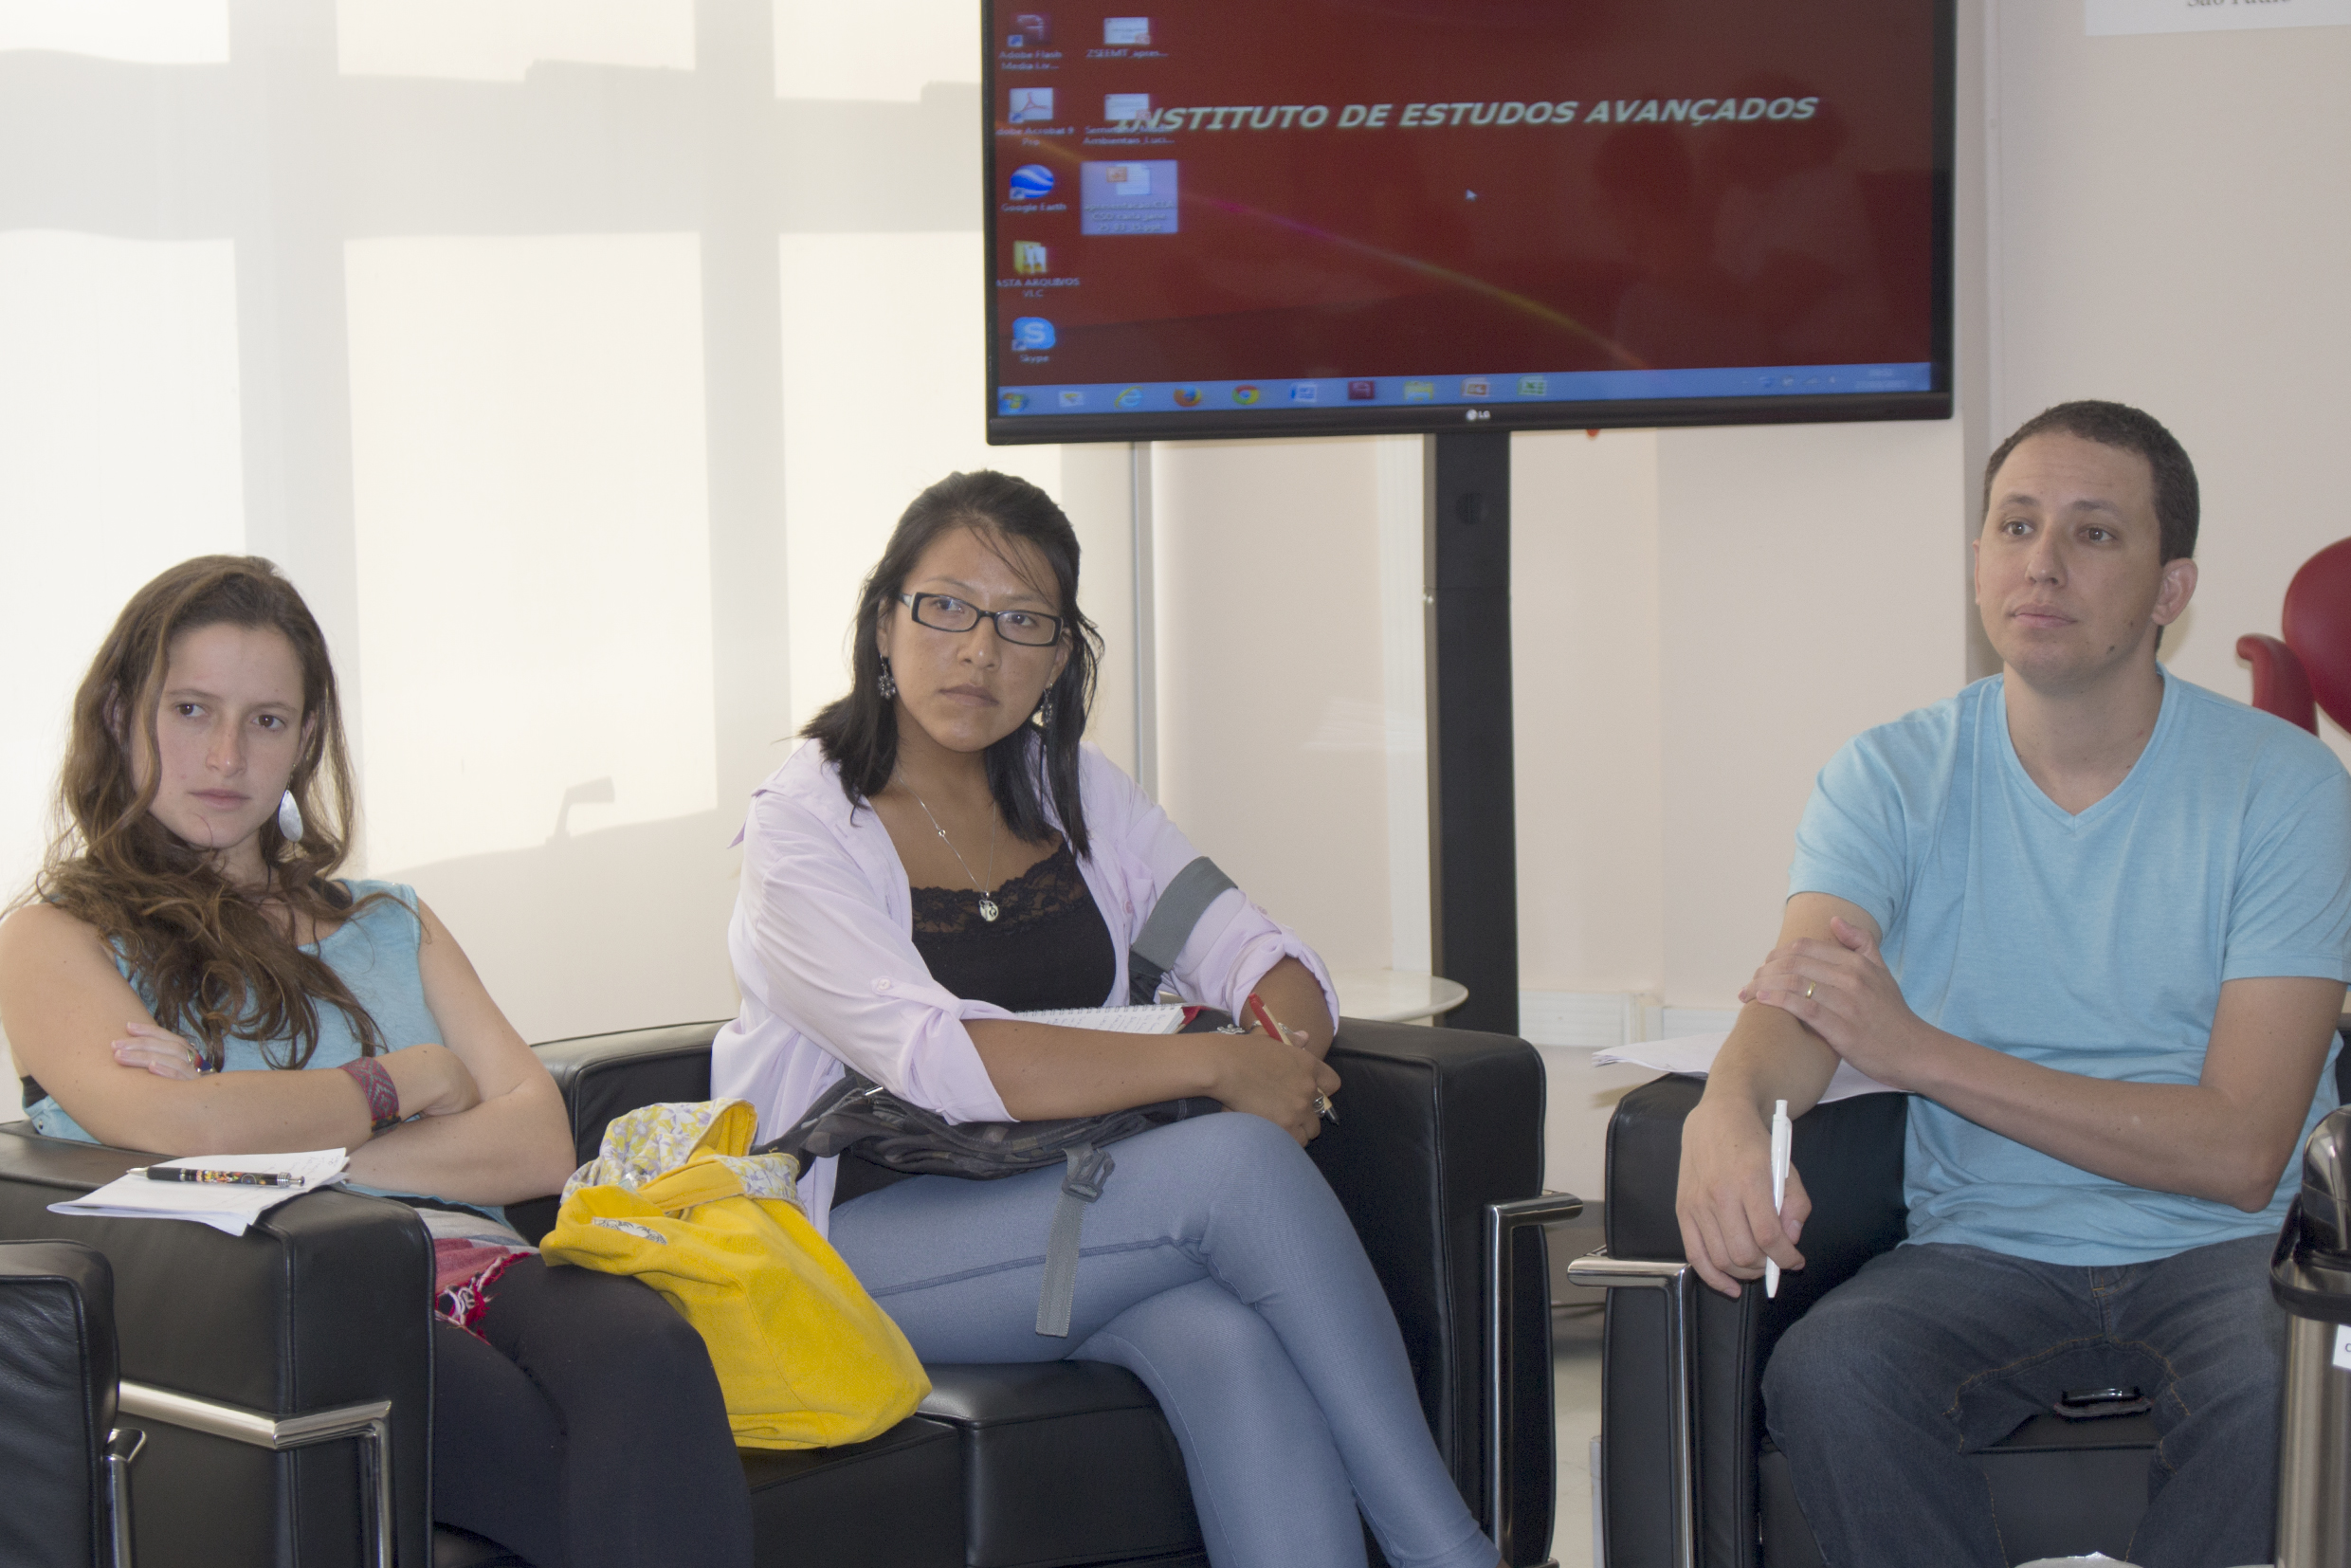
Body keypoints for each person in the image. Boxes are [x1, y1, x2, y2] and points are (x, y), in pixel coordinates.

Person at [710, 469, 1502, 1568]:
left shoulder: (1075, 790)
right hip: (847, 1237)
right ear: (883, 622)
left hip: (1057, 1204)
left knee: (1229, 1342)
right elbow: (937, 1059)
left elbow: (1256, 953)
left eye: (1021, 621)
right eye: (945, 606)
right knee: (1234, 1168)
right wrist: (1221, 1070)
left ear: (1057, 659)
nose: (978, 649)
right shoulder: (802, 828)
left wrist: (1278, 1053)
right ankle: (1450, 1554)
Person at [1673, 401, 2351, 1568]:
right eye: (2015, 525)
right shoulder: (1888, 774)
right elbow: (1803, 997)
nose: (2040, 563)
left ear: (2170, 589)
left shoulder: (2283, 788)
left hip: (2228, 1248)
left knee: (2284, 1380)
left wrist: (1917, 1050)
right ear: (1976, 558)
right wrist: (1727, 1107)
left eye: (2092, 533)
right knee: (1835, 1371)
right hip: (1980, 1248)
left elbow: (2243, 1151)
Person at [0, 557, 752, 1568]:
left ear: (306, 737)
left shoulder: (390, 919)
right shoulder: (55, 937)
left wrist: (284, 1152)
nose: (225, 754)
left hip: (479, 1257)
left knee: (652, 1350)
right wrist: (410, 1082)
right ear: (119, 712)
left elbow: (537, 1141)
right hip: (307, 1292)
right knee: (574, 1472)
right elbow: (185, 1128)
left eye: (267, 720)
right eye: (190, 709)